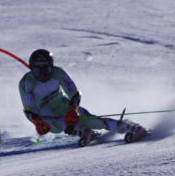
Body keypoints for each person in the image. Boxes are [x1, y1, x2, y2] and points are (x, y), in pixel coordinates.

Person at [19, 49, 147, 146]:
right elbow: (29, 109)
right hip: (44, 113)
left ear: (51, 67)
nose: (42, 75)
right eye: (37, 71)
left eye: (46, 70)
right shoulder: (26, 83)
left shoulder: (58, 73)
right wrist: (37, 122)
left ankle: (128, 126)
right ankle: (81, 131)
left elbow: (74, 94)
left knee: (87, 118)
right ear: (32, 69)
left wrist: (72, 109)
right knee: (59, 122)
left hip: (61, 104)